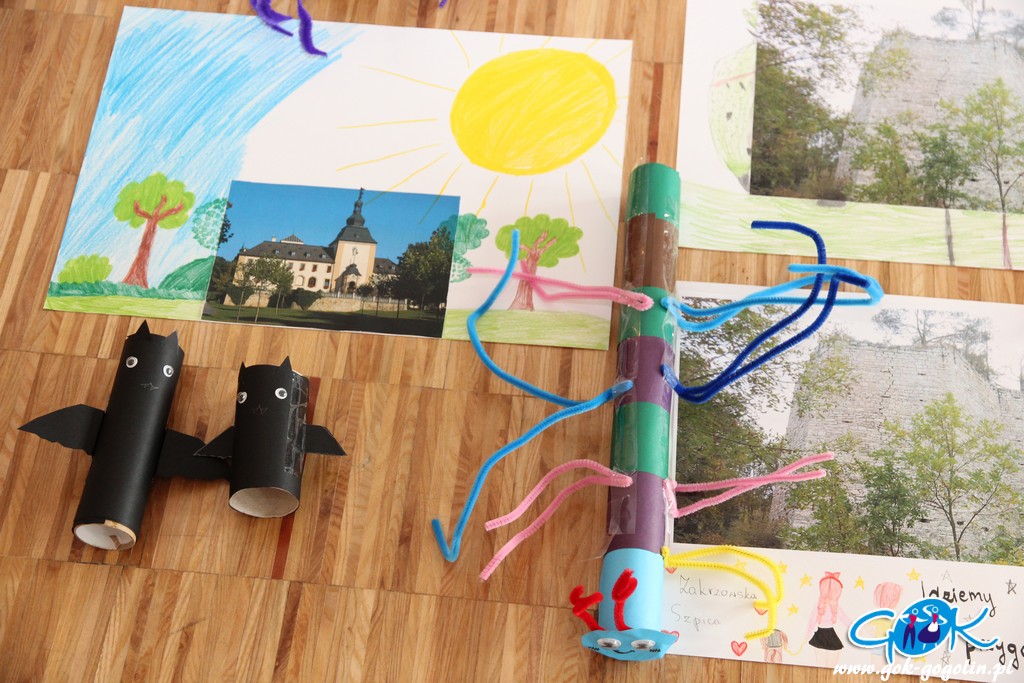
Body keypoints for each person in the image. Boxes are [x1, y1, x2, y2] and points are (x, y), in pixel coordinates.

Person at [806, 572, 851, 666]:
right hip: (829, 636)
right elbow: (845, 619)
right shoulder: (833, 607)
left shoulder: (820, 606)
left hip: (820, 636)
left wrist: (807, 634)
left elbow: (812, 621)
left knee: (822, 666)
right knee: (829, 666)